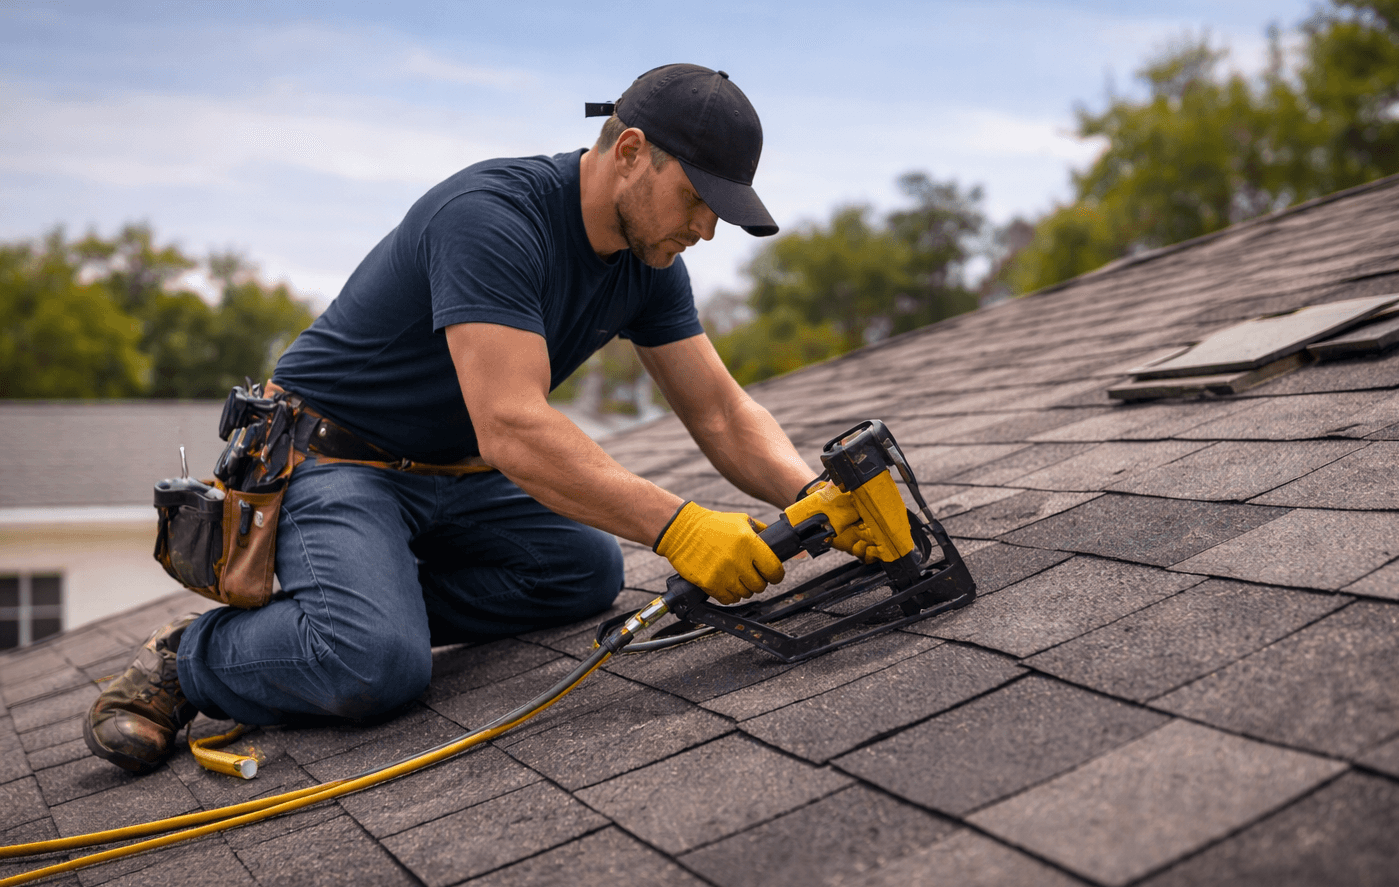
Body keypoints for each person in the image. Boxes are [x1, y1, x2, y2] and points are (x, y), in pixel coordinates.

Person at [84, 63, 876, 774]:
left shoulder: (648, 260)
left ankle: (358, 600)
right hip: (330, 461)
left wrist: (816, 499)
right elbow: (512, 427)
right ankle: (190, 659)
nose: (706, 229)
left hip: (448, 473)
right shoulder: (493, 218)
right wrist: (681, 526)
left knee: (584, 570)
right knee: (375, 667)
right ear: (631, 151)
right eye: (697, 199)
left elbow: (724, 412)